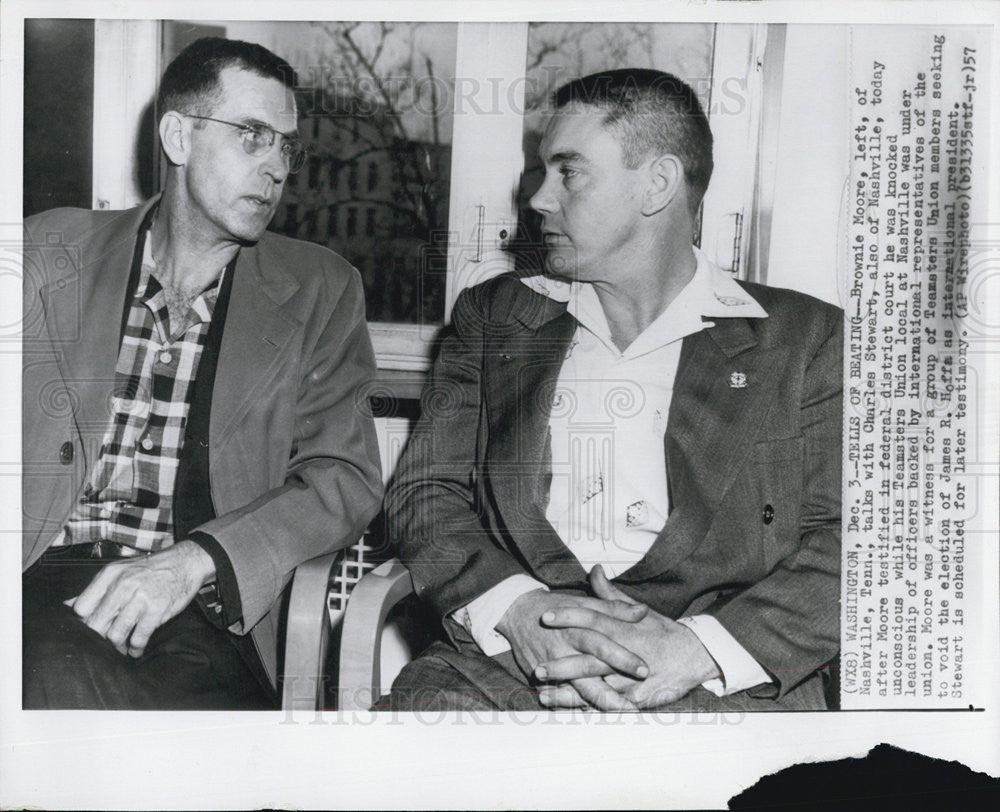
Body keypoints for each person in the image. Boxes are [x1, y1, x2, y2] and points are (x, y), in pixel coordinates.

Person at [383, 69, 842, 712]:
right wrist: (518, 612)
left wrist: (701, 650)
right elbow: (423, 494)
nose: (539, 199)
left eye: (568, 172)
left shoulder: (806, 341)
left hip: (719, 693)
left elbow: (854, 541)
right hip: (506, 678)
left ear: (657, 184)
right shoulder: (494, 317)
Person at [22, 37, 382, 709]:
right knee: (49, 667)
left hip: (203, 609)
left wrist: (193, 561)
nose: (277, 167)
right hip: (33, 578)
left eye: (288, 147)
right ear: (178, 136)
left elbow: (345, 477)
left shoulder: (319, 289)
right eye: (253, 136)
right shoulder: (47, 252)